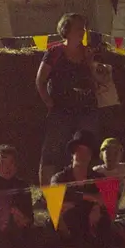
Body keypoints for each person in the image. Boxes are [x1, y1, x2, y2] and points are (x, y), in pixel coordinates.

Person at [35, 13, 100, 184]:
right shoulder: (55, 52)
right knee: (52, 151)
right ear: (66, 30)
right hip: (61, 111)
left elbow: (95, 82)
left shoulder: (87, 52)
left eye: (83, 28)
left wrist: (91, 63)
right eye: (78, 28)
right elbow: (40, 80)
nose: (82, 32)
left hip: (85, 110)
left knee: (85, 150)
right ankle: (47, 195)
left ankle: (82, 189)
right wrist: (49, 103)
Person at [50, 130, 114, 248]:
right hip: (70, 223)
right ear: (73, 153)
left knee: (103, 221)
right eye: (79, 150)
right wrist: (90, 198)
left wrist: (96, 206)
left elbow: (109, 198)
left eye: (87, 152)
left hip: (91, 221)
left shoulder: (98, 177)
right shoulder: (60, 177)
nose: (83, 155)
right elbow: (56, 194)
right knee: (69, 215)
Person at [93, 137, 125, 208]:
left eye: (115, 153)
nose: (111, 157)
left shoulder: (124, 168)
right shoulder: (96, 171)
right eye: (108, 153)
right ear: (102, 155)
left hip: (121, 210)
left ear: (120, 155)